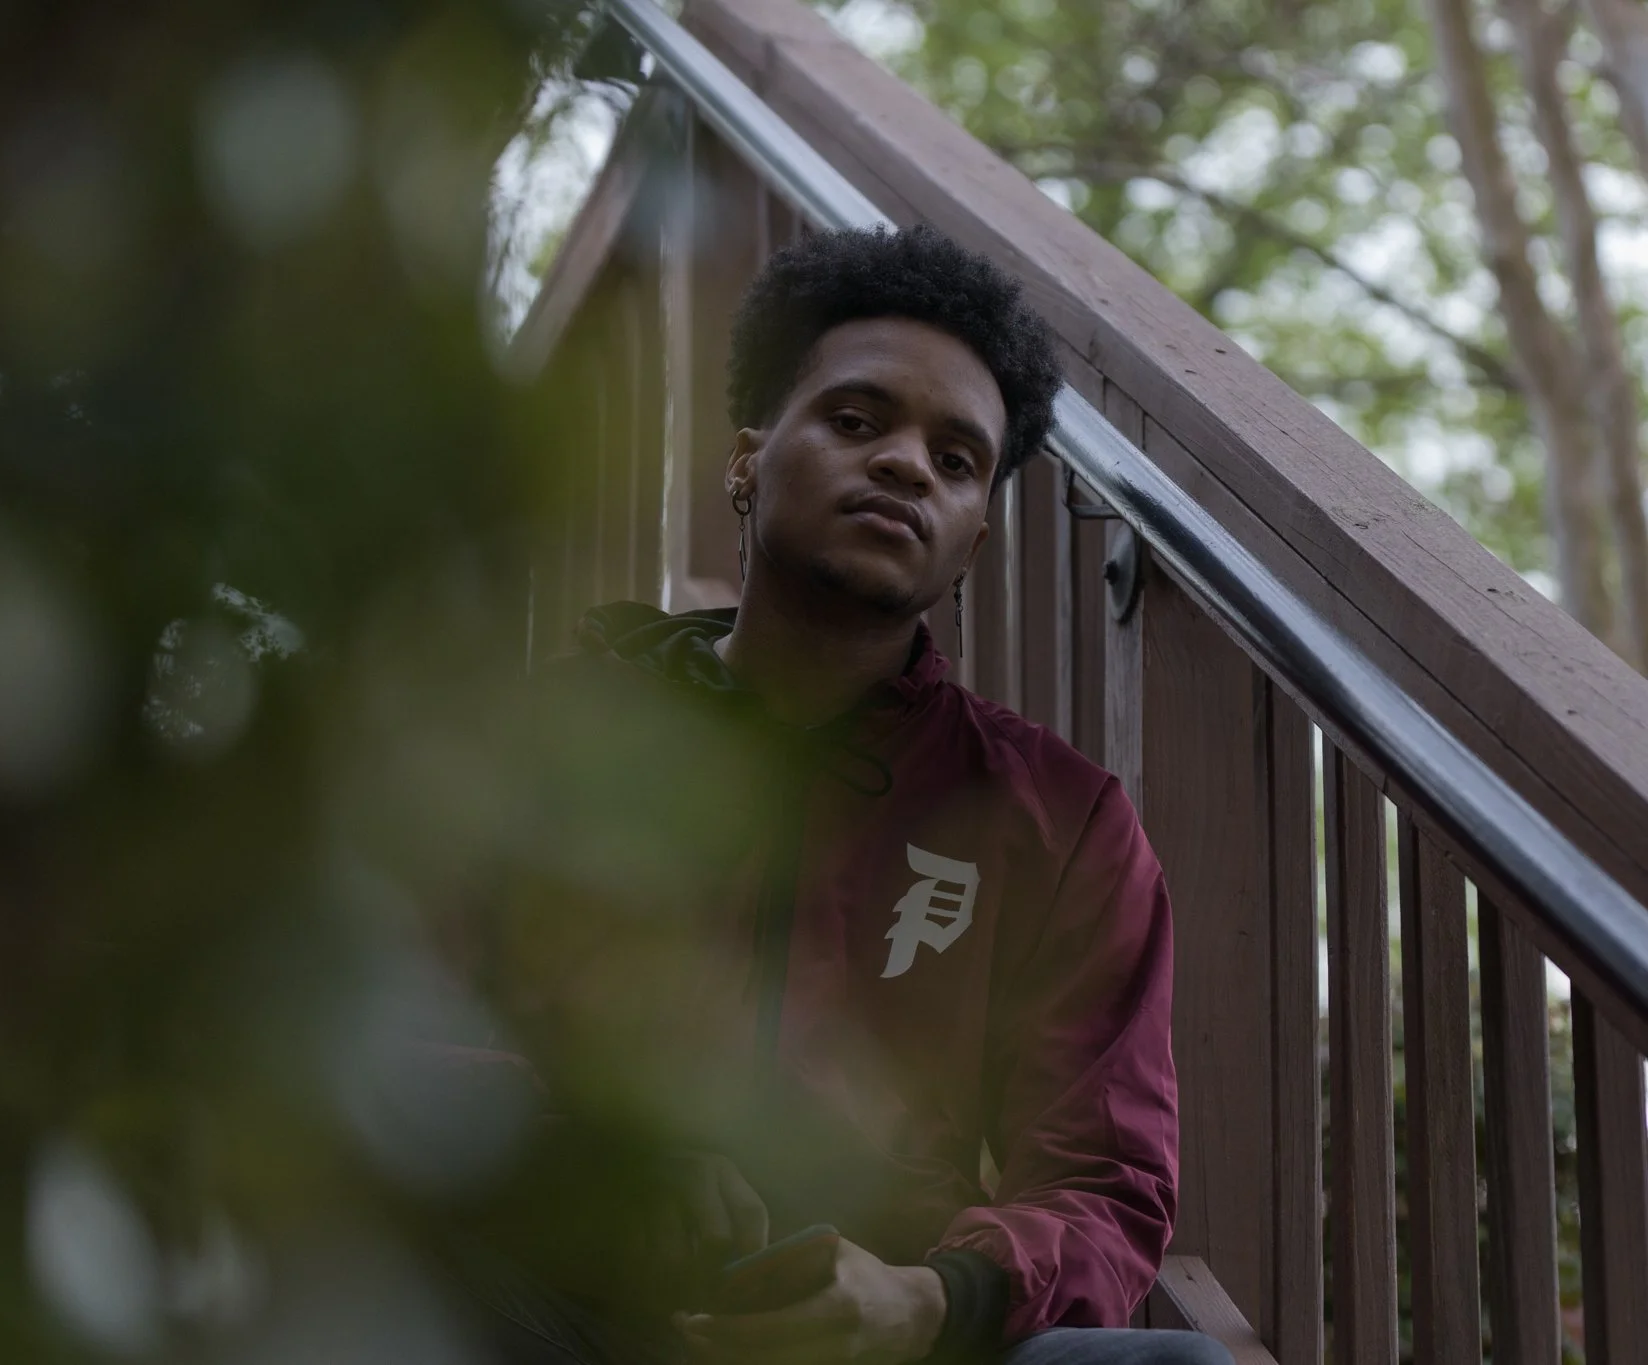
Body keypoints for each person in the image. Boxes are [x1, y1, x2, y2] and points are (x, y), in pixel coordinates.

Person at [457, 225, 1230, 1365]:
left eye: (956, 460)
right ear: (746, 457)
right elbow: (389, 1028)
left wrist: (925, 1299)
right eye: (857, 422)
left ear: (969, 543)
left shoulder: (1058, 823)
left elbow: (1098, 1184)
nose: (907, 465)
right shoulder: (532, 742)